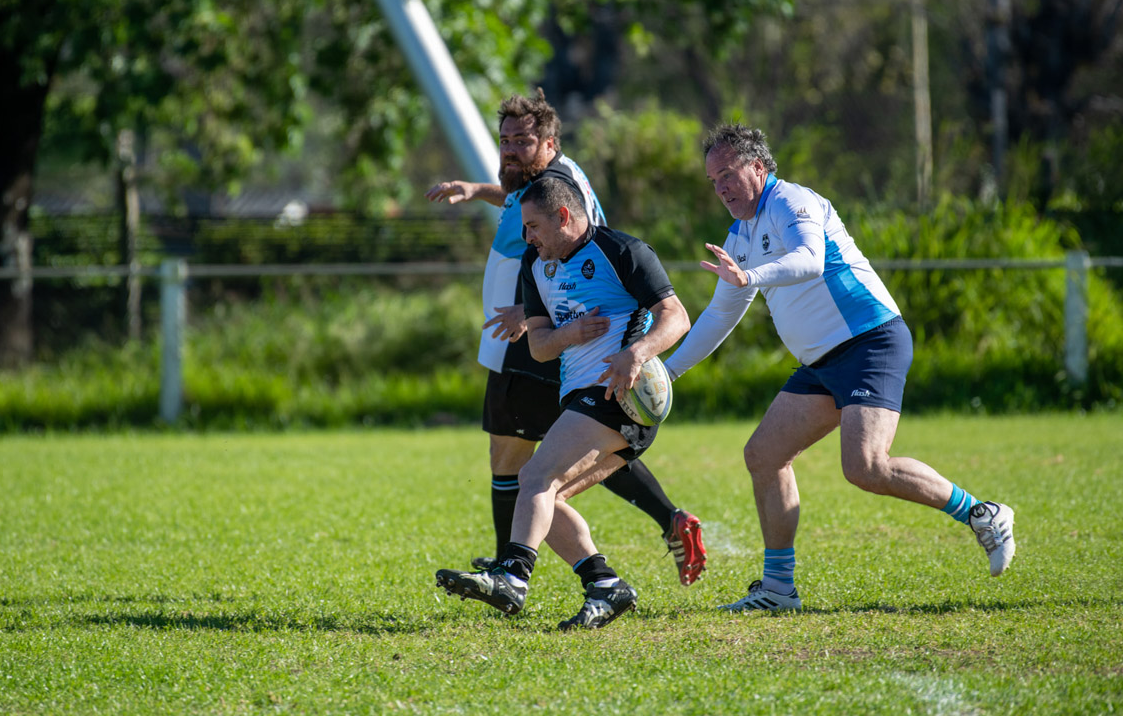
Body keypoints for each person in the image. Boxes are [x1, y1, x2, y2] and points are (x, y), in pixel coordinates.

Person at [664, 122, 1016, 613]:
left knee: (866, 466)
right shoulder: (739, 236)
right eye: (713, 180)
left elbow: (810, 260)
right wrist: (669, 371)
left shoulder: (792, 201)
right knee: (764, 455)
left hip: (870, 343)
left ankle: (982, 513)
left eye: (727, 174)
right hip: (822, 363)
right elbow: (722, 313)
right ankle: (778, 590)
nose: (720, 187)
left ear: (758, 168)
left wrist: (752, 275)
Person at [425, 90, 706, 586]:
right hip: (535, 331)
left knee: (537, 454)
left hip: (546, 337)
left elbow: (586, 249)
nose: (510, 149)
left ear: (548, 143)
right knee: (559, 449)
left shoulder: (556, 188)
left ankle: (512, 565)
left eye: (522, 140)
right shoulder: (536, 182)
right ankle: (650, 531)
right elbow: (517, 201)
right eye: (505, 140)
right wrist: (476, 189)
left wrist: (536, 311)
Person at [436, 175, 691, 629]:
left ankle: (513, 576)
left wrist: (636, 353)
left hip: (619, 393)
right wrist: (569, 334)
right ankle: (605, 585)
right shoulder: (534, 266)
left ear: (563, 217)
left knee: (532, 475)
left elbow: (677, 317)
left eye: (533, 226)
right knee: (543, 497)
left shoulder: (624, 251)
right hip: (579, 397)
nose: (527, 236)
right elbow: (539, 347)